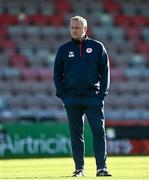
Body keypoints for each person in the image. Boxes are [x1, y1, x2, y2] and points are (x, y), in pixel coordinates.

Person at [54, 15, 111, 177]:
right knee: (76, 135)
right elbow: (57, 75)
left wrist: (101, 95)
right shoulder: (63, 50)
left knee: (99, 133)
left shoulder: (97, 47)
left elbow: (105, 72)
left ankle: (102, 168)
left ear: (85, 29)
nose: (74, 30)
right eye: (72, 27)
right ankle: (79, 169)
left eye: (77, 27)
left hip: (93, 97)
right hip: (71, 98)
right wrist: (63, 95)